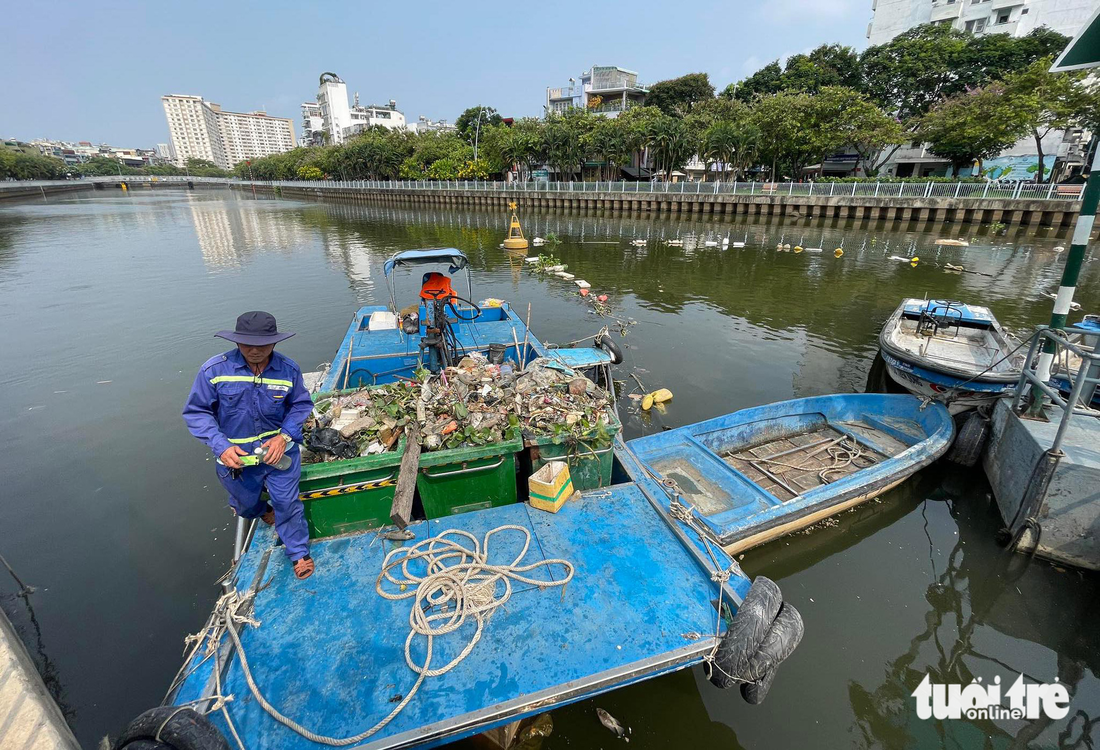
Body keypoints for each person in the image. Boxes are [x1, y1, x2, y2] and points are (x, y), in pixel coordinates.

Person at [182, 311, 316, 579]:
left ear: (275, 343)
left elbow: (301, 405)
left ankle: (298, 552)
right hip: (237, 460)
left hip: (279, 455)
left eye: (263, 345)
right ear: (236, 342)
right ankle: (261, 511)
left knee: (287, 502)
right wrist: (221, 446)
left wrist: (284, 437)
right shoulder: (214, 371)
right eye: (247, 345)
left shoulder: (288, 370)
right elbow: (197, 412)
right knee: (244, 505)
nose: (255, 351)